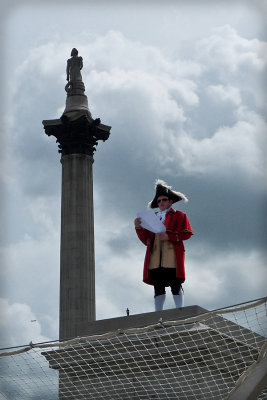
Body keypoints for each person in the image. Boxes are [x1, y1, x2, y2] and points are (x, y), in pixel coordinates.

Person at [134, 179, 193, 312]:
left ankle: (180, 310)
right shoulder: (151, 217)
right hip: (155, 257)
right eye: (159, 201)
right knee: (158, 285)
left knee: (175, 283)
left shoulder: (180, 215)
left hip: (172, 255)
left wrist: (169, 236)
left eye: (164, 200)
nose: (161, 203)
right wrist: (138, 228)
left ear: (170, 201)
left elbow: (187, 233)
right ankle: (158, 313)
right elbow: (146, 240)